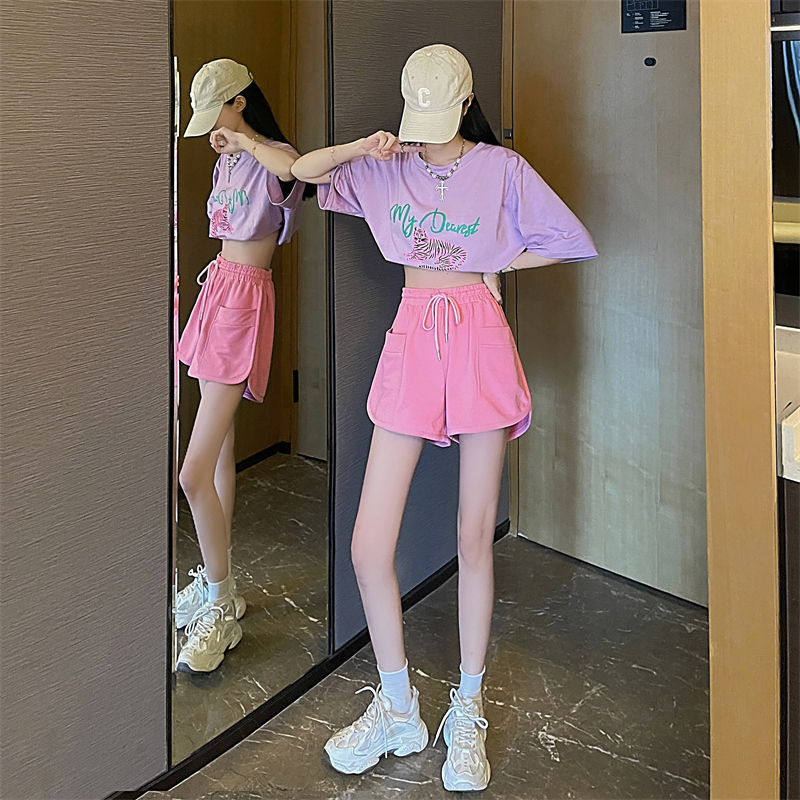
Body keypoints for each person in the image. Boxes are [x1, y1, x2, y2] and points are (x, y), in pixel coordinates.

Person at [291, 44, 598, 792]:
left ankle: (469, 707)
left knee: (473, 534)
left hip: (478, 336)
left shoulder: (502, 169)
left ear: (466, 102)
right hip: (412, 336)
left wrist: (493, 257)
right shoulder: (386, 164)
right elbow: (303, 171)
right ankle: (399, 707)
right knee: (369, 544)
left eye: (440, 115)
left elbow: (569, 241)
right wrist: (361, 147)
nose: (426, 133)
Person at [175, 58, 310, 673]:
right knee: (219, 454)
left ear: (240, 102)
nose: (213, 130)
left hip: (244, 302)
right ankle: (215, 582)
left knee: (192, 473)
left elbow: (291, 168)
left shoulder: (270, 155)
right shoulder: (225, 160)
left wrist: (247, 142)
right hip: (217, 292)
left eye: (218, 114)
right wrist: (231, 147)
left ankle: (221, 602)